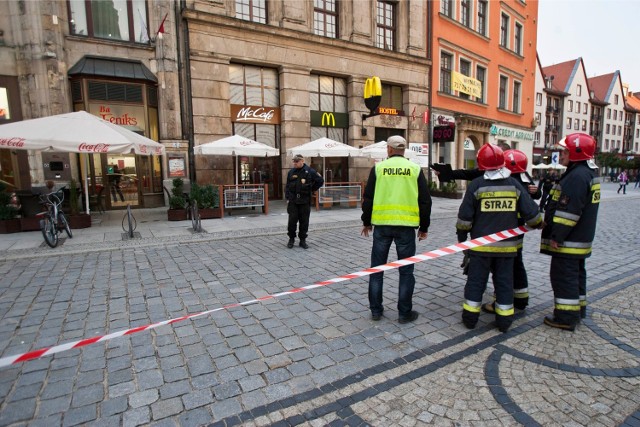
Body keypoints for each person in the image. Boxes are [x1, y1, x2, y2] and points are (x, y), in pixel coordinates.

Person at [456, 144, 543, 333]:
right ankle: (504, 321)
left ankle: (470, 318)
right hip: (507, 249)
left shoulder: (477, 185)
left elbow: (464, 219)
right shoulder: (514, 185)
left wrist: (463, 241)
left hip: (480, 248)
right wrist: (538, 225)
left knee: (476, 282)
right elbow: (533, 215)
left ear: (481, 163)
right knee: (504, 283)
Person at [361, 135, 432, 324]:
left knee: (377, 270)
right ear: (403, 150)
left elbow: (368, 198)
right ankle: (404, 313)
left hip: (382, 226)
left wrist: (366, 222)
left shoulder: (378, 169)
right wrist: (424, 227)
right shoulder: (415, 169)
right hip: (406, 228)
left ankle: (376, 311)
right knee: (406, 272)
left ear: (389, 149)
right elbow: (425, 201)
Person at [540, 133, 600, 331]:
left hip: (568, 242)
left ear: (576, 152)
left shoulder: (576, 176)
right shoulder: (586, 173)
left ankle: (565, 317)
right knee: (576, 276)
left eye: (565, 151)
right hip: (579, 241)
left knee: (564, 278)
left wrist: (557, 236)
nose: (562, 154)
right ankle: (578, 310)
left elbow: (569, 212)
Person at [285, 154, 324, 249]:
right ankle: (291, 239)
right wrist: (288, 198)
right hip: (293, 201)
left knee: (304, 222)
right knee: (292, 222)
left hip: (304, 201)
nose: (295, 163)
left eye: (297, 161)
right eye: (294, 161)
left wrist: (312, 189)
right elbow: (287, 186)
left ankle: (302, 240)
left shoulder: (310, 171)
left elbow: (320, 180)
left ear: (302, 161)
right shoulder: (291, 172)